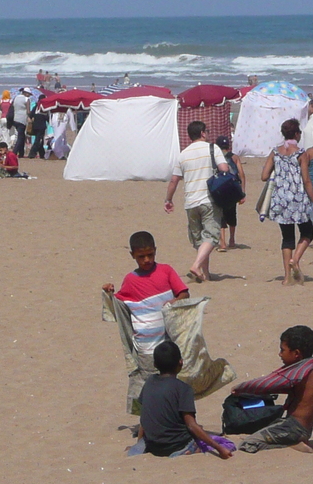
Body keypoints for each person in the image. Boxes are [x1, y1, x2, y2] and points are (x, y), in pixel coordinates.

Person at [231, 325, 313, 453]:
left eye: (283, 350)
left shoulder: (301, 372)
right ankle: (294, 440)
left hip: (293, 428)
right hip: (307, 430)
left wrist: (241, 388)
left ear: (296, 353)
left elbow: (268, 384)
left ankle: (291, 443)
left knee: (248, 443)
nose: (280, 354)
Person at [135, 341, 233, 458]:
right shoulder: (183, 388)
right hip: (177, 446)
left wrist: (138, 444)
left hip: (153, 445)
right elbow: (191, 425)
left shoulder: (149, 382)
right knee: (220, 442)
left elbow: (144, 419)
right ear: (180, 363)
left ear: (155, 364)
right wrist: (220, 448)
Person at [101, 231, 190, 357]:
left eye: (150, 255)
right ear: (133, 255)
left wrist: (175, 301)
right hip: (147, 348)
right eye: (141, 256)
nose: (147, 260)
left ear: (155, 250)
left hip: (172, 343)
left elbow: (184, 294)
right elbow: (118, 308)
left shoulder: (166, 271)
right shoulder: (130, 280)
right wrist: (108, 293)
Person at [165, 121, 232, 283]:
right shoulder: (212, 148)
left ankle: (206, 274)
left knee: (200, 240)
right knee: (211, 236)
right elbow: (224, 169)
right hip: (208, 199)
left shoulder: (183, 154)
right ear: (202, 133)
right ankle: (196, 265)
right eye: (206, 131)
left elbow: (174, 180)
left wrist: (168, 199)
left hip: (190, 201)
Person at [263, 119, 313, 286]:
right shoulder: (301, 153)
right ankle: (295, 259)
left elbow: (264, 176)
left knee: (287, 238)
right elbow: (306, 180)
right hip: (298, 199)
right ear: (296, 134)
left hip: (280, 199)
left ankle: (287, 278)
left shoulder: (275, 152)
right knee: (307, 232)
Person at [214, 135, 243, 251]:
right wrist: (242, 192)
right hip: (232, 189)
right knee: (232, 215)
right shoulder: (234, 157)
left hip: (220, 189)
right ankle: (232, 240)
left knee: (220, 216)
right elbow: (241, 174)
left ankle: (222, 243)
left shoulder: (216, 157)